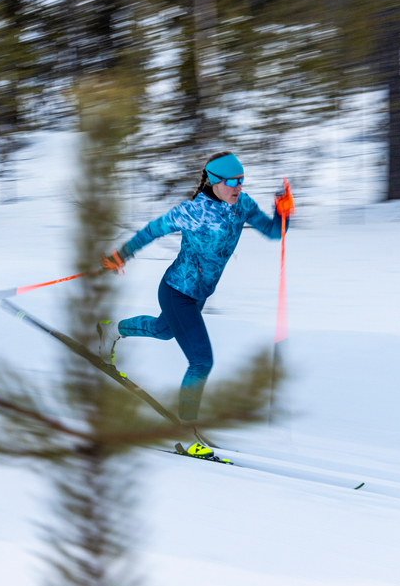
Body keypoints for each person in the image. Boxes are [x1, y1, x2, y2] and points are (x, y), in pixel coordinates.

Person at [97, 151, 291, 431]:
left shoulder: (243, 205)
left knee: (163, 330)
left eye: (241, 180)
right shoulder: (193, 212)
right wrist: (121, 255)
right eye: (231, 181)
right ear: (214, 180)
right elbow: (152, 231)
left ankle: (111, 331)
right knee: (201, 362)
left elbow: (274, 232)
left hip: (199, 294)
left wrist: (283, 213)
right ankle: (185, 431)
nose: (238, 187)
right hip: (176, 291)